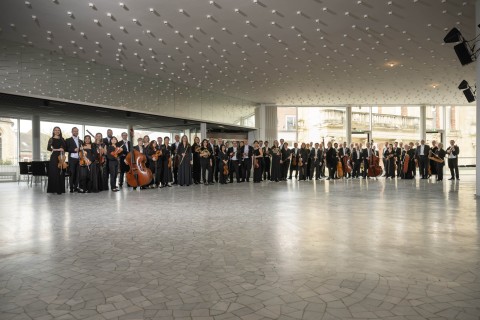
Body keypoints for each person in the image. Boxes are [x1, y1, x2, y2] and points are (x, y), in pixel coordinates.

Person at [47, 126, 67, 194]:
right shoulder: (51, 139)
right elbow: (49, 148)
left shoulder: (62, 139)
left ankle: (60, 189)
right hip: (55, 156)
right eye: (55, 130)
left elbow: (65, 148)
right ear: (53, 131)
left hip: (62, 156)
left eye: (58, 130)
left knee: (61, 172)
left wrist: (63, 150)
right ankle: (53, 189)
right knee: (54, 172)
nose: (57, 131)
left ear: (60, 131)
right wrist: (58, 149)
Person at [65, 127, 82, 193]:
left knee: (78, 174)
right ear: (72, 132)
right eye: (74, 131)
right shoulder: (68, 140)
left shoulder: (80, 141)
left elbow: (81, 150)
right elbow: (66, 149)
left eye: (77, 131)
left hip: (79, 159)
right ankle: (71, 188)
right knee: (72, 174)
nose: (76, 132)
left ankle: (76, 187)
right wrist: (73, 150)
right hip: (72, 159)